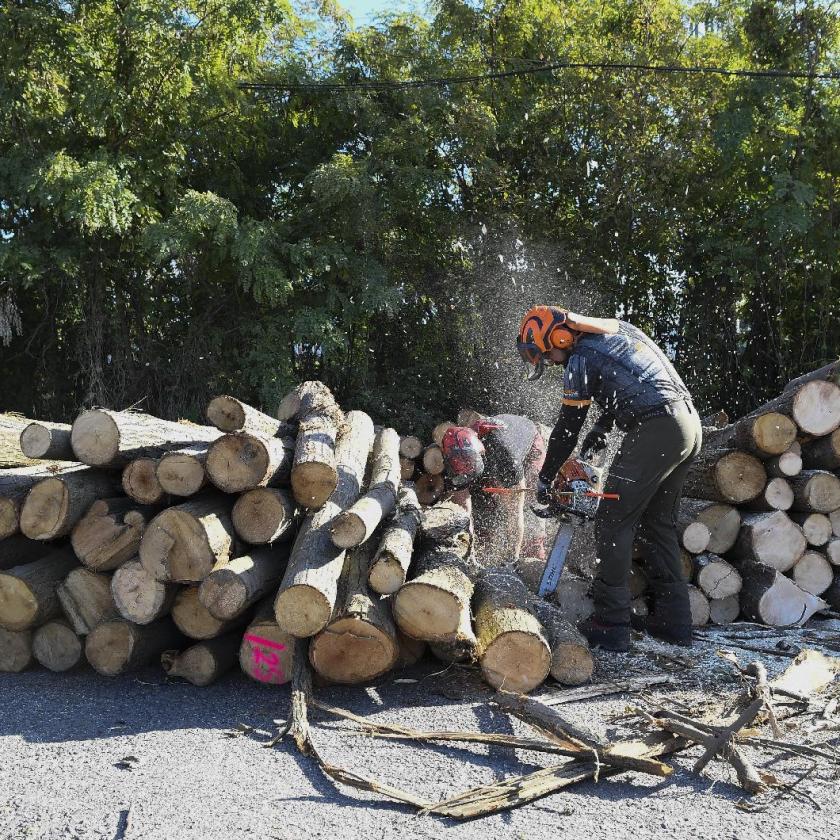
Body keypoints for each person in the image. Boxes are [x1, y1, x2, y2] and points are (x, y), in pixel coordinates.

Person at [517, 305, 702, 651]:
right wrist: (602, 425)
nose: (554, 361)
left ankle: (611, 622)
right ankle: (675, 621)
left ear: (559, 337)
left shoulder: (579, 357)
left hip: (657, 428)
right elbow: (635, 380)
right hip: (688, 425)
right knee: (657, 523)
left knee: (613, 521)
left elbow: (567, 428)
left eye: (550, 353)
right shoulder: (618, 332)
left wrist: (545, 478)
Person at [440, 414, 546, 565]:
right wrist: (470, 554)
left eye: (470, 467)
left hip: (529, 443)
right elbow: (463, 508)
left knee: (531, 496)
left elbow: (515, 512)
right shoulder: (454, 456)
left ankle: (532, 552)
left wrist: (512, 559)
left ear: (479, 451)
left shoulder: (505, 456)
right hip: (493, 455)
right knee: (485, 498)